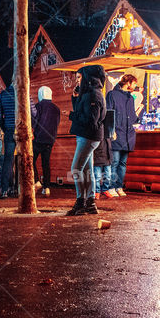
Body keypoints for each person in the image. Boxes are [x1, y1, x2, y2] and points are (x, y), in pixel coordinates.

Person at [67, 65, 107, 216]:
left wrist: (71, 116)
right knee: (87, 170)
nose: (77, 81)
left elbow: (91, 120)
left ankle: (80, 202)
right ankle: (89, 203)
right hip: (85, 135)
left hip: (89, 136)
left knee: (76, 168)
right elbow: (82, 112)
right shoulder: (88, 94)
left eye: (79, 77)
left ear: (88, 78)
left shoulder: (94, 95)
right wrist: (75, 98)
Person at [107, 73, 143, 196]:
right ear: (128, 83)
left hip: (128, 134)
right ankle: (111, 187)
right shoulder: (112, 94)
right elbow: (109, 113)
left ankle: (118, 186)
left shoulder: (130, 98)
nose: (135, 86)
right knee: (115, 161)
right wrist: (112, 131)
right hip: (117, 133)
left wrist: (137, 114)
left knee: (122, 163)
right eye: (134, 84)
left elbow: (132, 116)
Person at [31, 85, 60, 196]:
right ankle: (47, 187)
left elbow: (34, 121)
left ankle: (36, 181)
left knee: (31, 161)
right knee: (46, 163)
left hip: (38, 138)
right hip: (50, 140)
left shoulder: (38, 106)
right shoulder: (56, 108)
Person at [0, 84, 16, 198]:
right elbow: (33, 112)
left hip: (9, 129)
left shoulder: (3, 94)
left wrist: (4, 127)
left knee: (8, 159)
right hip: (22, 129)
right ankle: (19, 188)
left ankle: (4, 190)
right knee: (24, 158)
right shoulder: (24, 92)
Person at [93, 110, 115, 199]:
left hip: (107, 155)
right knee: (97, 176)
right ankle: (97, 191)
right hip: (98, 155)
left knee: (108, 175)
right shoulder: (96, 129)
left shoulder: (109, 130)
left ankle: (105, 189)